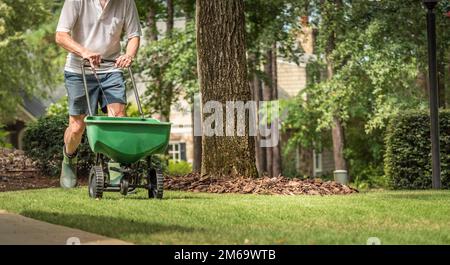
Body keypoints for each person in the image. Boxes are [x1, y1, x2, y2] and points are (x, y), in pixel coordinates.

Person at [55, 0, 141, 188]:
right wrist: (84, 51)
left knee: (117, 119)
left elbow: (134, 35)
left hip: (111, 69)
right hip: (79, 70)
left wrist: (129, 55)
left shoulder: (126, 2)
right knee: (77, 127)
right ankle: (69, 158)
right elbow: (61, 36)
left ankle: (116, 167)